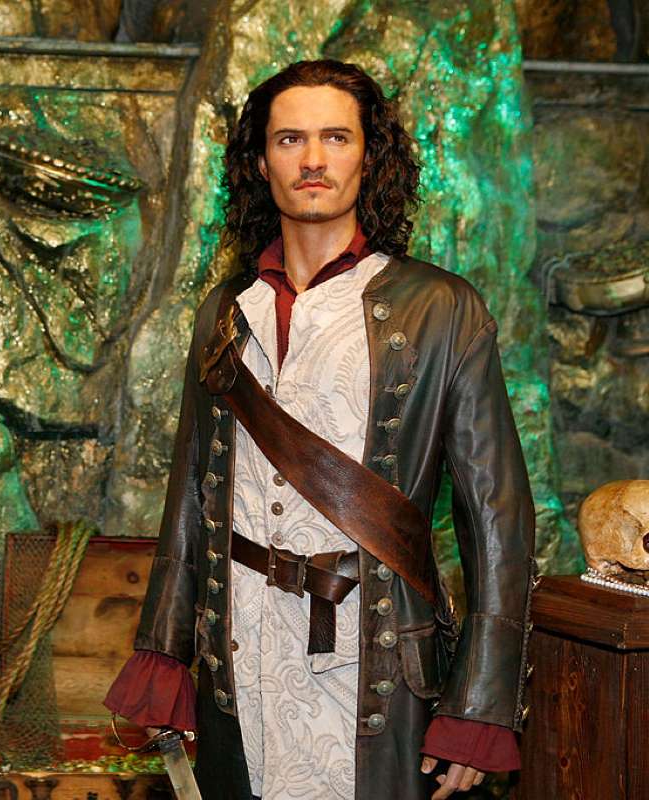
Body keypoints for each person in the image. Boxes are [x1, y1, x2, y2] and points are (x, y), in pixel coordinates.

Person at [104, 60, 535, 799]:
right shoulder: (224, 312)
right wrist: (165, 653)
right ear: (260, 162)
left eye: (336, 137)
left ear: (369, 156)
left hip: (372, 661)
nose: (312, 159)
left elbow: (497, 516)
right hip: (238, 649)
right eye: (289, 139)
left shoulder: (441, 308)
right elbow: (190, 496)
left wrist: (481, 703)